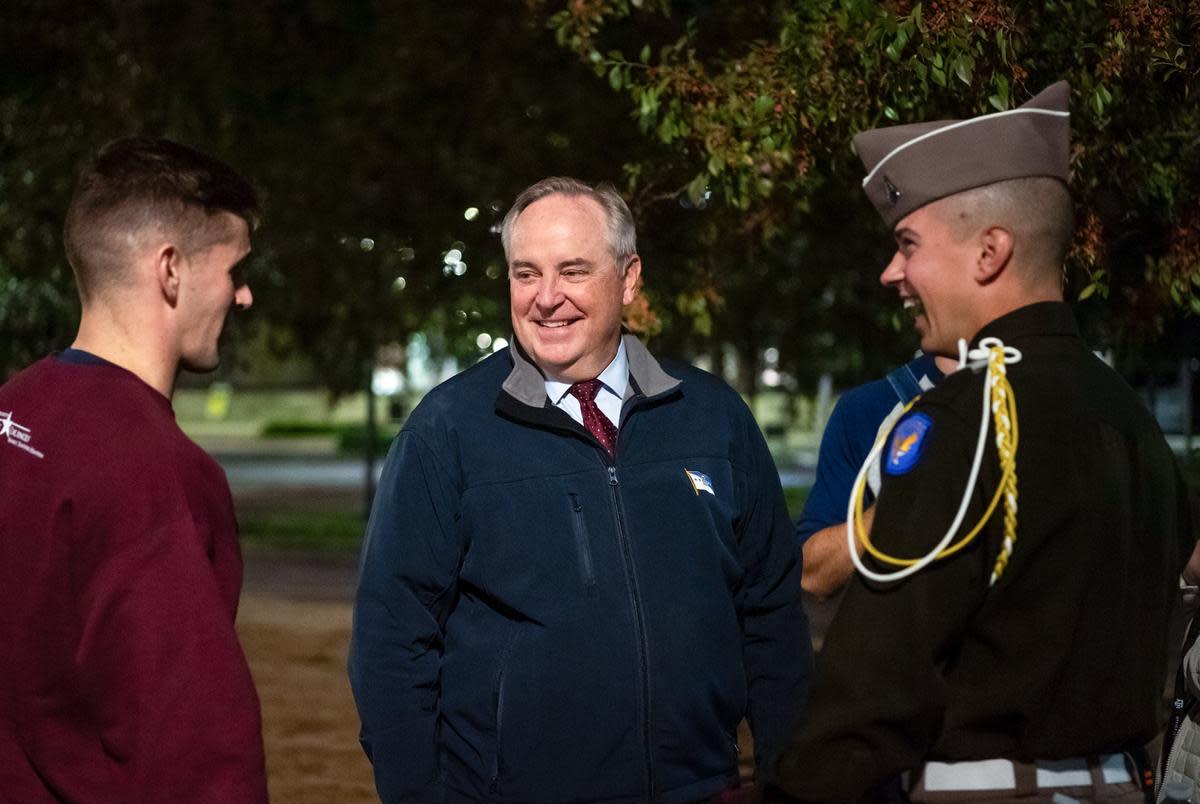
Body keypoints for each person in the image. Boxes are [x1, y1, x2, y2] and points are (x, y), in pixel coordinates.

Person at [765, 81, 1191, 802]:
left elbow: (873, 688)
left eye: (908, 245)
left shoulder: (970, 416)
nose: (891, 274)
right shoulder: (1127, 414)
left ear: (990, 251)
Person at [349, 176, 811, 802]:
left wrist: (793, 779)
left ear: (628, 279)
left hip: (700, 789)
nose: (546, 298)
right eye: (525, 273)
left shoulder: (713, 417)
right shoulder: (447, 429)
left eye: (572, 271)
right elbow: (391, 641)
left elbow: (772, 617)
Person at [0, 137, 268, 801]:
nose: (243, 296)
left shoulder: (12, 410)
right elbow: (196, 746)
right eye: (234, 267)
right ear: (170, 269)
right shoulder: (157, 472)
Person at [798, 352, 955, 599]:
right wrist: (899, 497)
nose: (908, 309)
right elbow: (812, 575)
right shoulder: (871, 407)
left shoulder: (1026, 394)